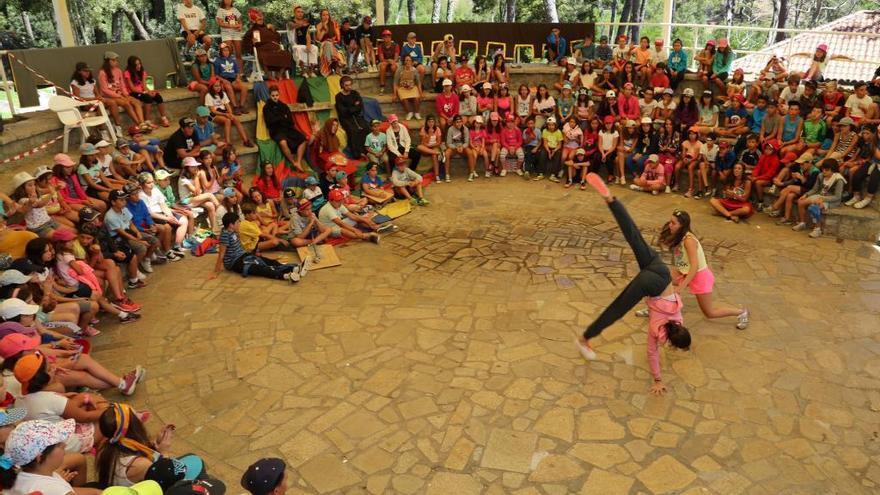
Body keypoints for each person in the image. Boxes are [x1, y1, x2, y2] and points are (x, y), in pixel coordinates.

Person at [575, 173, 691, 396]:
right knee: (617, 308)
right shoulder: (659, 332)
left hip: (660, 270)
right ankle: (584, 338)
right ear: (672, 342)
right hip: (651, 284)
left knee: (634, 236)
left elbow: (674, 313)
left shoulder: (679, 317)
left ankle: (612, 201)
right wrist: (657, 379)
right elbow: (652, 352)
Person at [656, 209, 749, 328]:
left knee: (710, 313)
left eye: (673, 223)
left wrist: (681, 286)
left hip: (699, 276)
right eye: (670, 222)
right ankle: (656, 308)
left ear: (682, 226)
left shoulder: (689, 241)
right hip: (683, 271)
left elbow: (694, 267)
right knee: (662, 280)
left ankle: (741, 312)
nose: (670, 225)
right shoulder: (678, 235)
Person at [213, 212, 306, 282]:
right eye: (237, 222)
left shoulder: (233, 231)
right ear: (231, 225)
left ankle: (295, 268)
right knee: (259, 268)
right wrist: (216, 272)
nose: (239, 224)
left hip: (242, 255)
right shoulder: (225, 235)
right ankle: (286, 276)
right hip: (234, 263)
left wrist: (252, 252)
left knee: (267, 260)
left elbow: (238, 246)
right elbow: (222, 253)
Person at [793, 158, 846, 238]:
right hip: (820, 196)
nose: (824, 171)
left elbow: (837, 197)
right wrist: (806, 195)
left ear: (833, 170)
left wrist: (823, 199)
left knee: (813, 207)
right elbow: (815, 189)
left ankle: (817, 229)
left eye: (826, 170)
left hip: (831, 200)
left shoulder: (839, 180)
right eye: (823, 169)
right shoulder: (821, 176)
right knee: (801, 201)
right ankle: (802, 223)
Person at [262, 87, 307, 172]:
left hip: (287, 128)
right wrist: (282, 117)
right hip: (276, 131)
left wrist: (279, 118)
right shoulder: (266, 107)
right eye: (273, 95)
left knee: (303, 139)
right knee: (283, 142)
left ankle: (298, 162)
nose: (275, 97)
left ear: (279, 95)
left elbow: (290, 120)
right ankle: (293, 162)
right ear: (269, 95)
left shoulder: (283, 106)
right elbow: (270, 121)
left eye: (277, 95)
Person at [98, 52, 145, 131]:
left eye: (116, 60)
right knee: (126, 103)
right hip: (110, 97)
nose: (116, 62)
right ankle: (139, 124)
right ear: (108, 61)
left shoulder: (118, 71)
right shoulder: (102, 73)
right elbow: (104, 90)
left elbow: (122, 85)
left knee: (136, 102)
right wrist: (119, 96)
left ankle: (142, 123)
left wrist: (125, 94)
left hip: (120, 94)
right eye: (114, 60)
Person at [242, 8, 293, 77]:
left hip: (274, 48)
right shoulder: (252, 30)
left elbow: (278, 37)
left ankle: (279, 74)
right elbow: (245, 42)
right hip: (262, 49)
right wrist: (252, 42)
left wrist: (273, 29)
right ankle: (269, 76)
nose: (261, 20)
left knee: (287, 54)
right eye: (259, 19)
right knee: (263, 56)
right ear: (254, 21)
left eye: (261, 19)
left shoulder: (268, 27)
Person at [204, 79, 254, 147]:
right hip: (213, 115)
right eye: (216, 86)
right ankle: (228, 142)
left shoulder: (223, 94)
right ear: (211, 87)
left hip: (223, 112)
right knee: (227, 120)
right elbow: (213, 111)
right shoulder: (208, 96)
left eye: (219, 85)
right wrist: (226, 114)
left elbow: (228, 106)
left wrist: (230, 114)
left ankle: (245, 140)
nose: (218, 87)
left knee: (236, 119)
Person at [123, 56, 169, 128]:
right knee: (147, 98)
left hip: (142, 92)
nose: (139, 66)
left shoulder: (142, 72)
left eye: (139, 64)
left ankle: (164, 118)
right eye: (136, 65)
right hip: (133, 93)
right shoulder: (127, 73)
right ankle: (147, 121)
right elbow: (132, 88)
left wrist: (150, 91)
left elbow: (144, 86)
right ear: (131, 66)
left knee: (157, 96)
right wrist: (145, 93)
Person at [335, 76, 370, 158]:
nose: (349, 87)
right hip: (345, 119)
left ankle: (366, 151)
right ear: (342, 85)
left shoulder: (355, 93)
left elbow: (360, 106)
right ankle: (357, 154)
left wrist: (350, 109)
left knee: (366, 128)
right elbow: (342, 111)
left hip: (357, 116)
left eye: (350, 85)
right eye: (346, 85)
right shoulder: (339, 96)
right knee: (353, 131)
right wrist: (354, 107)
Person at [213, 43, 248, 114]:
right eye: (224, 50)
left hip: (233, 79)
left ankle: (241, 105)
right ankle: (235, 107)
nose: (226, 52)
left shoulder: (232, 60)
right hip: (223, 79)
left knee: (244, 88)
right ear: (221, 52)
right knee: (228, 87)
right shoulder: (217, 61)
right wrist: (224, 80)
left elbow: (237, 72)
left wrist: (238, 78)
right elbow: (216, 75)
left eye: (227, 51)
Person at [286, 6, 318, 77]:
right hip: (295, 44)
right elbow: (292, 26)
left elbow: (307, 34)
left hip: (305, 43)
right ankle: (303, 71)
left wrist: (308, 44)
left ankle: (311, 71)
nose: (300, 13)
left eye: (302, 12)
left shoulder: (305, 23)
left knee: (314, 48)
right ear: (294, 13)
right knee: (299, 49)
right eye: (298, 12)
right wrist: (301, 24)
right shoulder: (290, 22)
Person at [316, 9, 345, 76]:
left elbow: (338, 37)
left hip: (334, 44)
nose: (326, 16)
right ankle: (334, 66)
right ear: (321, 16)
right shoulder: (319, 25)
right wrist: (324, 29)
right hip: (323, 46)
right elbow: (319, 39)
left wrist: (332, 40)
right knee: (327, 44)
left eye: (327, 15)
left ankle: (330, 64)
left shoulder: (334, 24)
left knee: (329, 44)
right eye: (324, 15)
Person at [216, 0, 244, 69]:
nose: (228, 1)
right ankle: (228, 72)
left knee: (238, 54)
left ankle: (240, 73)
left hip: (236, 33)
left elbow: (240, 22)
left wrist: (240, 26)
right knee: (227, 53)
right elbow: (220, 23)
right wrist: (232, 26)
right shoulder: (220, 10)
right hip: (226, 33)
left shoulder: (235, 10)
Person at [394, 55, 423, 120]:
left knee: (416, 98)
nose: (407, 62)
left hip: (412, 87)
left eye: (409, 60)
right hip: (402, 87)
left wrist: (421, 93)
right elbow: (395, 83)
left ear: (412, 62)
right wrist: (395, 94)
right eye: (406, 60)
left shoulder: (415, 70)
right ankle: (409, 112)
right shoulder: (399, 70)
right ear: (404, 61)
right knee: (404, 99)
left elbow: (418, 83)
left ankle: (416, 112)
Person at [418, 116, 445, 181]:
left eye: (432, 122)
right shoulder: (423, 129)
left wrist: (432, 145)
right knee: (419, 147)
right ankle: (438, 153)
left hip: (434, 146)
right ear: (426, 122)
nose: (431, 123)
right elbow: (424, 143)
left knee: (434, 155)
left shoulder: (437, 129)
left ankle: (437, 175)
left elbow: (438, 142)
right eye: (429, 122)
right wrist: (429, 134)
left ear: (434, 122)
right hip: (426, 148)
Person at [377, 29, 399, 94]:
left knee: (394, 67)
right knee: (382, 66)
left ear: (390, 37)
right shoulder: (380, 46)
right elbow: (381, 58)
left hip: (393, 61)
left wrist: (392, 61)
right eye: (385, 37)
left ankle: (395, 85)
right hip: (385, 61)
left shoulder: (396, 45)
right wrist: (388, 61)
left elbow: (396, 58)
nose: (386, 38)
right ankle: (382, 86)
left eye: (388, 36)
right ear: (383, 38)